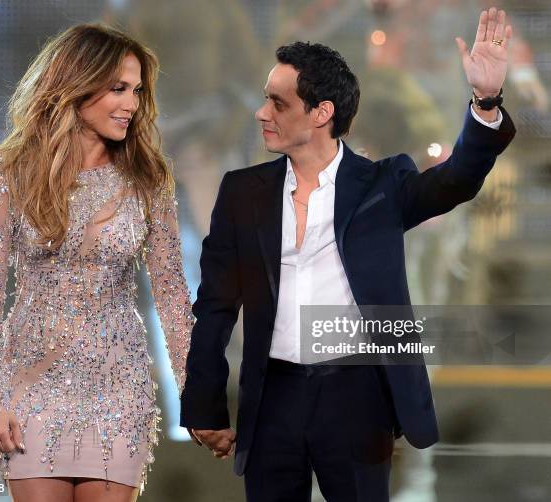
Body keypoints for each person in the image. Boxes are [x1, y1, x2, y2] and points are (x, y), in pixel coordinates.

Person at [180, 7, 516, 502]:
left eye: (277, 103)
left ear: (321, 112)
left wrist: (485, 101)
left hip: (358, 398)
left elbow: (459, 178)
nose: (261, 113)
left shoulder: (383, 184)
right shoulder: (243, 192)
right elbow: (214, 305)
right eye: (263, 100)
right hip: (272, 396)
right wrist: (205, 404)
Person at [0, 23, 192, 502]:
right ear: (77, 84)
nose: (131, 103)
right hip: (30, 388)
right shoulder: (8, 174)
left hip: (119, 389)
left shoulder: (148, 179)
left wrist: (195, 389)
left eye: (136, 90)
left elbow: (172, 293)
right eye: (118, 89)